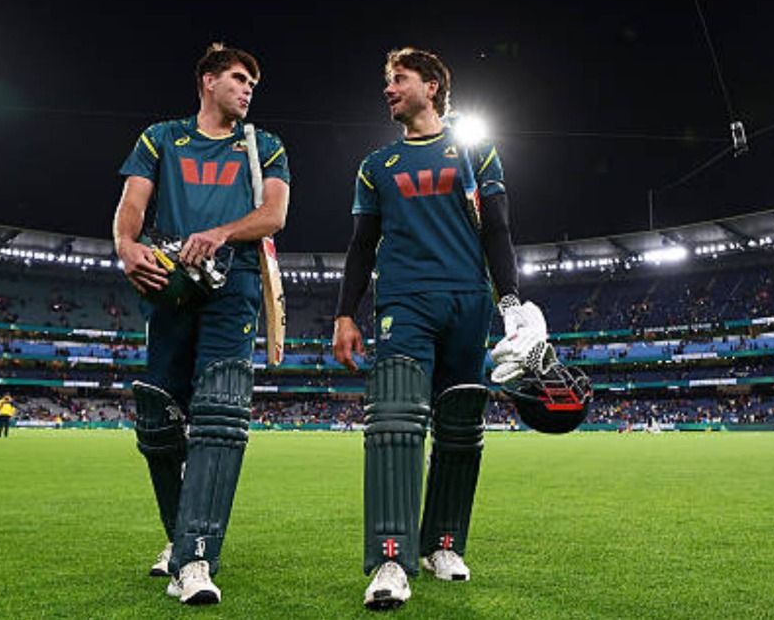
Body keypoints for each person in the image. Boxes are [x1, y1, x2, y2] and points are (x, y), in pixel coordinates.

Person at [332, 47, 529, 610]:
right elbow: (360, 246)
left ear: (433, 86)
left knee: (461, 423)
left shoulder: (476, 152)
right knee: (394, 419)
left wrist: (510, 302)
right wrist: (346, 312)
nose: (389, 88)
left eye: (399, 79)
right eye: (387, 79)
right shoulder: (376, 166)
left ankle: (443, 544)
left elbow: (498, 232)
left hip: (469, 301)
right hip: (404, 302)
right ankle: (390, 558)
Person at [111, 43, 290, 605]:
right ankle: (181, 535)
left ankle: (194, 559)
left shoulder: (265, 145)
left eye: (253, 85)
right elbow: (133, 203)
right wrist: (125, 246)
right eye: (238, 79)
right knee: (157, 423)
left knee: (217, 419)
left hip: (232, 290)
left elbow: (274, 215)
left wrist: (220, 233)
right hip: (168, 286)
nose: (247, 90)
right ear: (208, 81)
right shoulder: (160, 137)